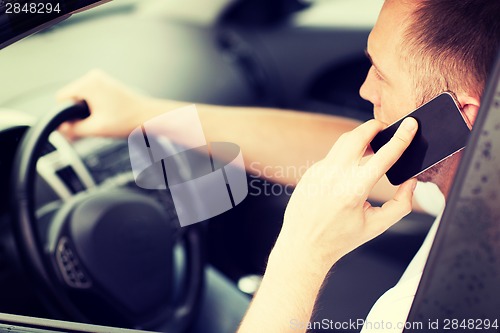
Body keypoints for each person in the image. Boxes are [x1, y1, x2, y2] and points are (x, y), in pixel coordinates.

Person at [56, 0, 500, 332]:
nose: (365, 89)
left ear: (465, 116)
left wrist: (302, 252)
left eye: (382, 74)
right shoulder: (479, 181)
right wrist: (143, 113)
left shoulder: (426, 311)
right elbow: (344, 150)